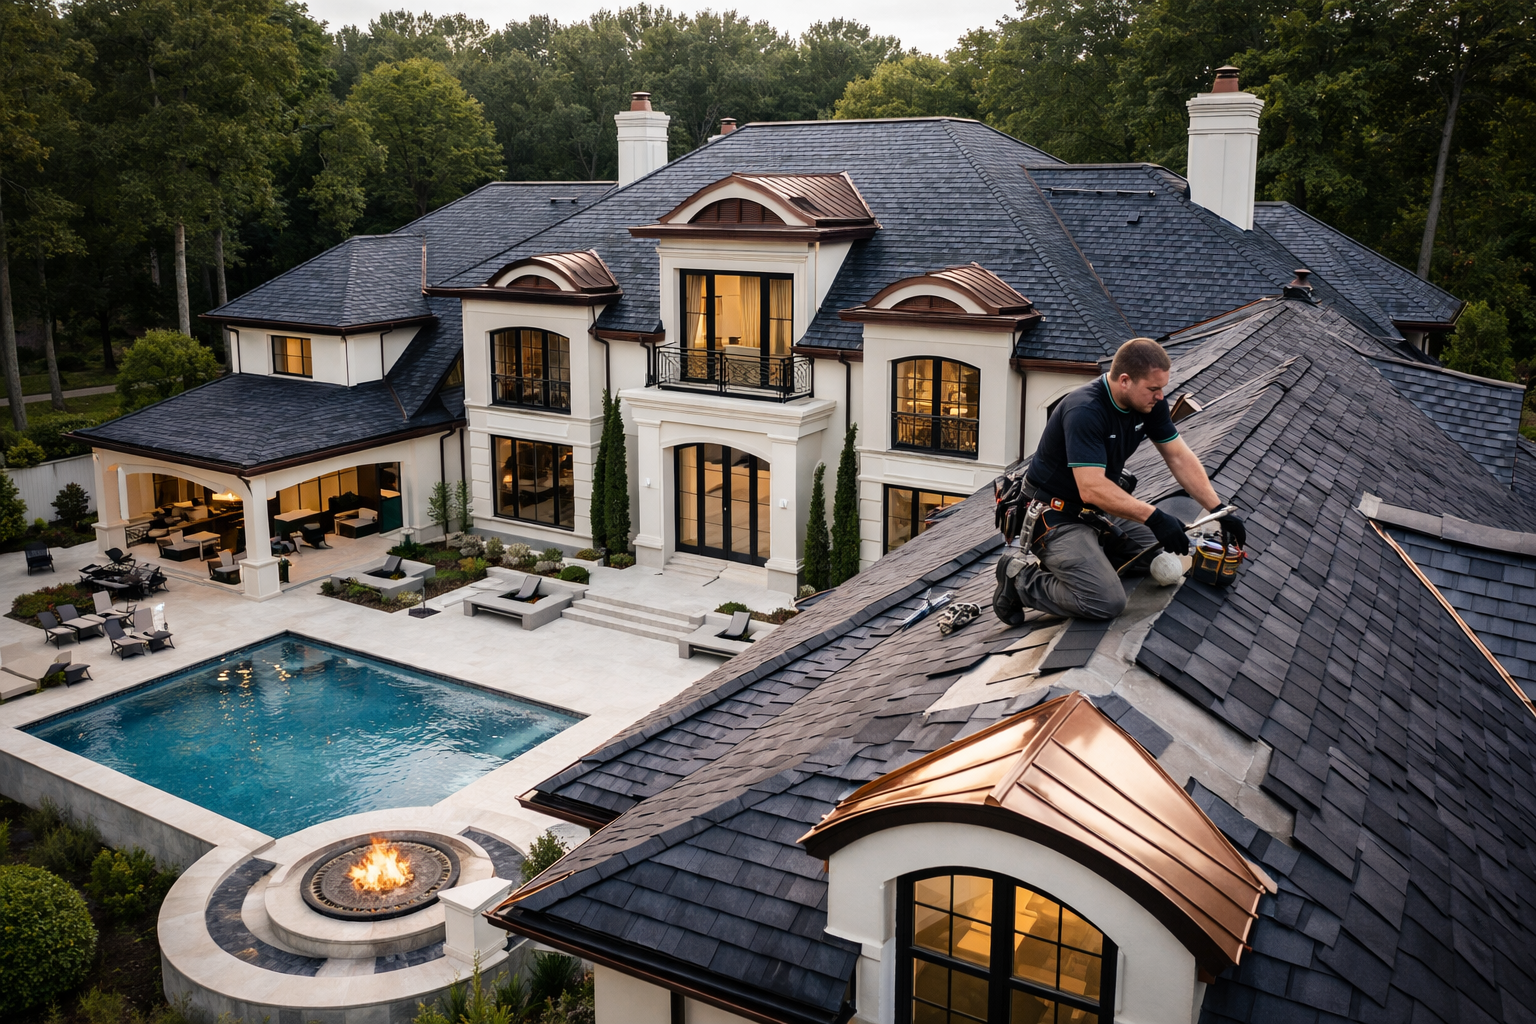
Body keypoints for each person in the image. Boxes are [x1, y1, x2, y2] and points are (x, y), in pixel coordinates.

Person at [995, 337, 1245, 622]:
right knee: (1105, 601)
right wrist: (1154, 516)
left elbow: (1178, 456)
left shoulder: (1148, 405)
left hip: (1097, 512)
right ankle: (1018, 579)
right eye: (1153, 388)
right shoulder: (1085, 410)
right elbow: (1091, 489)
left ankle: (1093, 557)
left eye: (1162, 387)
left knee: (1161, 549)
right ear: (1125, 381)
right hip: (1055, 517)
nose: (1161, 396)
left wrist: (1217, 509)